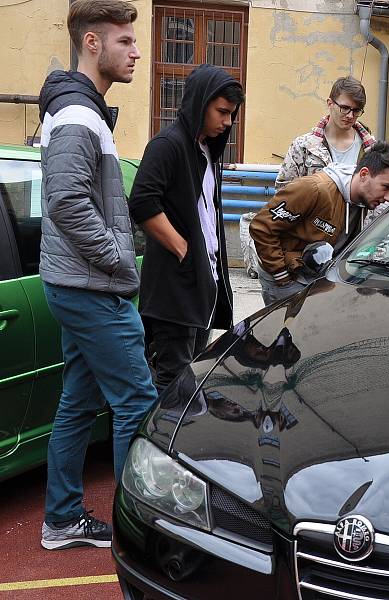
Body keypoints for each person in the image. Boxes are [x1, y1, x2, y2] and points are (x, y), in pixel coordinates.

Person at [37, 0, 157, 550]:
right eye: (125, 41)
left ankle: (61, 519)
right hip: (91, 287)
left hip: (76, 284)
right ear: (92, 43)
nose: (136, 51)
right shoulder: (79, 114)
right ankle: (140, 526)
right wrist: (117, 257)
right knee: (136, 401)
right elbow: (64, 200)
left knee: (79, 403)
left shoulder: (80, 109)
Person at [128, 64, 243, 393]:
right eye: (222, 112)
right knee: (173, 388)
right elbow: (142, 203)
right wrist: (182, 249)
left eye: (232, 114)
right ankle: (159, 446)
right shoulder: (168, 144)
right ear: (199, 103)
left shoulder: (205, 150)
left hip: (200, 291)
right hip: (173, 296)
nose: (227, 122)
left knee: (192, 382)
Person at [250, 141, 389, 305]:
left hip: (318, 279)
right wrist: (282, 277)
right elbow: (261, 227)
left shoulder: (364, 201)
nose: (388, 197)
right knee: (289, 328)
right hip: (288, 277)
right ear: (363, 174)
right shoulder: (314, 189)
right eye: (386, 187)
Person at [275, 76, 376, 190]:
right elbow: (283, 191)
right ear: (330, 103)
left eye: (356, 110)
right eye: (344, 108)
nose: (350, 115)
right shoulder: (303, 146)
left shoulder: (372, 149)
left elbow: (379, 193)